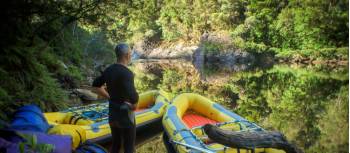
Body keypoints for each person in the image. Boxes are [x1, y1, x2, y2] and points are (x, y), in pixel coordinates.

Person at [92, 43, 138, 153]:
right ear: (127, 55)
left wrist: (109, 96)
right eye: (130, 54)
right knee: (129, 147)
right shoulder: (127, 73)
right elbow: (134, 98)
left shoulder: (109, 70)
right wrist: (134, 106)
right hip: (125, 114)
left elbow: (95, 86)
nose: (130, 56)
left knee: (116, 144)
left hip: (112, 112)